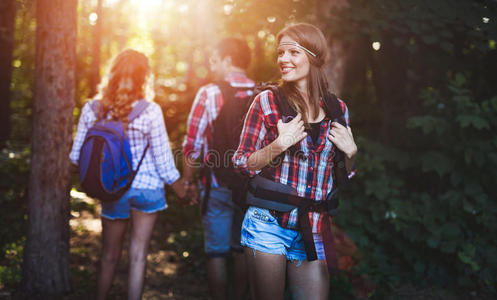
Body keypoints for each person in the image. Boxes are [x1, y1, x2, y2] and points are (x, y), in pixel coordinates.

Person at [233, 23, 358, 300]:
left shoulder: (338, 109)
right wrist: (278, 145)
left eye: (293, 52)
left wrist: (351, 155)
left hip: (313, 227)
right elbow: (242, 163)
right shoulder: (267, 102)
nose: (283, 59)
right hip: (268, 224)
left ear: (313, 56)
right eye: (280, 53)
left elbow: (343, 176)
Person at [69, 49, 186, 300]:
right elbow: (164, 162)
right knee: (138, 256)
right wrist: (182, 189)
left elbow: (76, 156)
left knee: (109, 255)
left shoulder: (92, 109)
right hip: (147, 190)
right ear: (144, 78)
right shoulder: (150, 110)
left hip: (113, 189)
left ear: (112, 74)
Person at [182, 37, 254, 300]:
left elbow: (192, 144)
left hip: (217, 185)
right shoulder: (264, 94)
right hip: (252, 188)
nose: (212, 66)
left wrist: (188, 182)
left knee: (216, 253)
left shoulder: (210, 93)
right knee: (243, 249)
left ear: (227, 60)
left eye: (215, 60)